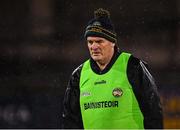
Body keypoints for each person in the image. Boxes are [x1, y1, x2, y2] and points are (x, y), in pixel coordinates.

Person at [61, 8, 163, 129]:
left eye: (99, 41)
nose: (94, 46)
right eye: (90, 42)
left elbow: (153, 111)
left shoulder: (133, 66)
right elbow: (70, 120)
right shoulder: (78, 75)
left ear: (112, 42)